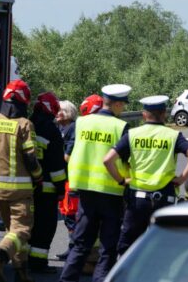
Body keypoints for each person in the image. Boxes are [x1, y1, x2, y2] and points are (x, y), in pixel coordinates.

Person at [104, 95, 188, 256]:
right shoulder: (173, 136)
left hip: (137, 199)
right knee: (163, 245)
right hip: (165, 197)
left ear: (144, 114)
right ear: (164, 113)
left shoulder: (133, 134)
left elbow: (108, 160)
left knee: (128, 244)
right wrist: (182, 179)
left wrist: (121, 181)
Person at [59, 84, 132, 282]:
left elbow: (68, 154)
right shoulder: (120, 126)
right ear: (116, 104)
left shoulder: (80, 123)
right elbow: (127, 160)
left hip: (85, 191)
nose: (123, 108)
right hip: (111, 193)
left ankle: (66, 280)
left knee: (81, 243)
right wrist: (125, 179)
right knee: (108, 247)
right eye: (123, 105)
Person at [0, 79, 42, 282]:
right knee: (22, 230)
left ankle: (21, 273)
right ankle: (0, 256)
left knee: (13, 233)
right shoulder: (25, 124)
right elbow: (31, 157)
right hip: (20, 189)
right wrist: (38, 176)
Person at [28, 92, 66, 273]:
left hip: (27, 186)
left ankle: (24, 261)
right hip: (47, 189)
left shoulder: (28, 124)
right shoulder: (51, 130)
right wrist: (61, 188)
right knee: (45, 227)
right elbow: (57, 165)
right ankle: (38, 263)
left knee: (29, 225)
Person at [55, 100, 79, 261]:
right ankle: (72, 247)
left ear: (68, 113)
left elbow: (68, 153)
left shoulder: (73, 128)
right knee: (66, 215)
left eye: (60, 111)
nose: (57, 113)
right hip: (63, 177)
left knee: (71, 215)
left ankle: (74, 249)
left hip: (71, 177)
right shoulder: (59, 127)